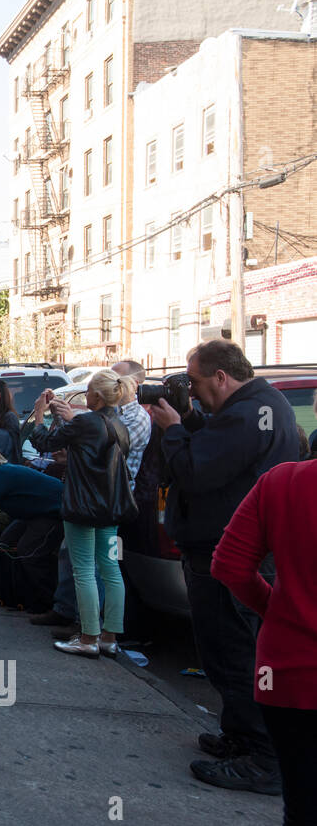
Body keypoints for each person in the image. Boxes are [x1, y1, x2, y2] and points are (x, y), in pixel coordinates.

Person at [151, 338, 300, 794]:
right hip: (229, 548)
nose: (192, 393)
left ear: (221, 376)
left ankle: (263, 758)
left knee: (233, 654)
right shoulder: (257, 408)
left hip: (228, 551)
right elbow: (220, 452)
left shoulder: (250, 412)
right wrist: (192, 421)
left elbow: (197, 469)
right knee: (230, 651)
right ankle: (241, 737)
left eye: (195, 383)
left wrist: (175, 427)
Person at [212, 459, 317, 826]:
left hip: (289, 672)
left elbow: (229, 565)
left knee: (305, 818)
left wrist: (276, 610)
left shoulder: (284, 482)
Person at [31, 367, 150, 632]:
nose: (85, 397)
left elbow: (44, 442)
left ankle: (88, 635)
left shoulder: (88, 422)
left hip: (84, 505)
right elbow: (95, 457)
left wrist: (40, 414)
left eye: (87, 392)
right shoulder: (119, 424)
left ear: (96, 395)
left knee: (83, 569)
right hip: (112, 506)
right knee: (110, 568)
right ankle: (109, 635)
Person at [0, 441, 63, 520]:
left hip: (53, 508)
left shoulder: (1, 474)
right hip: (38, 511)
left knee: (27, 545)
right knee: (7, 540)